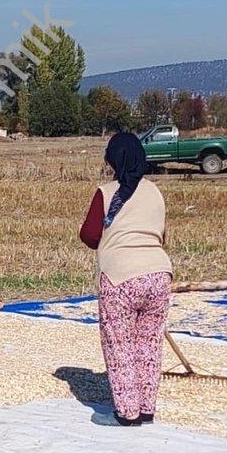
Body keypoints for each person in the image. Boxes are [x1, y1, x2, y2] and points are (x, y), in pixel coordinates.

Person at [79, 132, 172, 426]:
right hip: (159, 274)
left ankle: (126, 413)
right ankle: (146, 409)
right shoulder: (155, 192)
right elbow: (161, 234)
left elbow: (91, 235)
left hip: (120, 277)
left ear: (113, 160)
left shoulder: (106, 193)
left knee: (119, 344)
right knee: (149, 343)